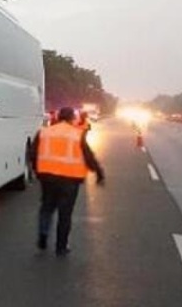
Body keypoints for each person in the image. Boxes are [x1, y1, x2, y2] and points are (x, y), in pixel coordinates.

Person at [29, 106, 104, 256]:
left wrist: (37, 171)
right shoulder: (77, 134)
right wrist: (99, 173)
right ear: (72, 118)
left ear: (57, 117)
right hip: (70, 180)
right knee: (65, 214)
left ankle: (43, 235)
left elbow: (32, 153)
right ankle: (61, 247)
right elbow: (88, 156)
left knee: (47, 207)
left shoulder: (44, 132)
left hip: (48, 178)